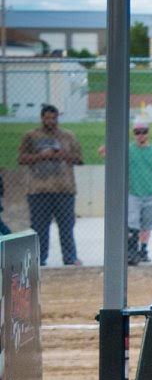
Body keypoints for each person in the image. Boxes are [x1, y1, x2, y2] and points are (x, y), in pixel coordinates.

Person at [18, 104, 80, 266]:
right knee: (39, 228)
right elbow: (21, 159)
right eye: (47, 118)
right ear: (42, 118)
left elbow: (79, 159)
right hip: (38, 189)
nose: (50, 121)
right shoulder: (31, 136)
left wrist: (62, 155)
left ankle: (70, 258)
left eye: (53, 118)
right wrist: (40, 156)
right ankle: (39, 259)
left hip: (64, 188)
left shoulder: (68, 136)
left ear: (58, 117)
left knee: (66, 226)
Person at [125, 123, 152, 265]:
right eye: (137, 132)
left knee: (146, 225)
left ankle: (143, 250)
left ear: (148, 133)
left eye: (143, 132)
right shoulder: (129, 149)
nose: (141, 135)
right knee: (132, 222)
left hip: (151, 191)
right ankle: (131, 251)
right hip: (133, 192)